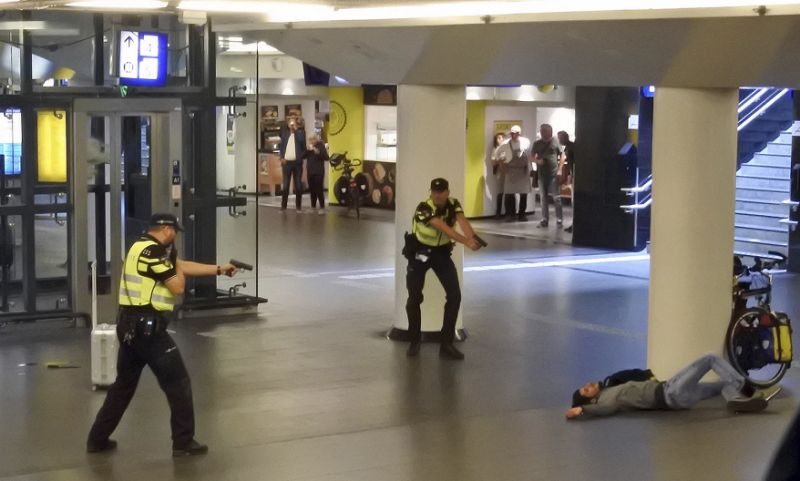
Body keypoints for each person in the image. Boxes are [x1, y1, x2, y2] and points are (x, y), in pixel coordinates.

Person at [87, 214, 238, 457]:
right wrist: (175, 262)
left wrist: (219, 269)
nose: (175, 237)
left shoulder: (139, 247)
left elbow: (180, 267)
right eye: (175, 231)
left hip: (129, 328)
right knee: (179, 383)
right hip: (149, 331)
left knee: (123, 386)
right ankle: (183, 442)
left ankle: (97, 439)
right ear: (167, 230)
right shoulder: (156, 254)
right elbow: (177, 285)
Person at [403, 178, 481, 360]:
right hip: (420, 254)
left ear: (448, 192)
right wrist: (466, 242)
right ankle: (414, 340)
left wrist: (473, 237)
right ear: (430, 192)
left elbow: (462, 221)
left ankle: (446, 343)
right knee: (414, 298)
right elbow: (444, 228)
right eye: (434, 192)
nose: (437, 195)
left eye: (441, 192)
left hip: (441, 254)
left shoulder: (453, 204)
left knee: (454, 296)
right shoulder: (424, 208)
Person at [565, 354, 770, 419]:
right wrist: (582, 409)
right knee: (710, 358)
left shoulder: (609, 388)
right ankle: (743, 385)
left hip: (674, 393)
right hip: (671, 393)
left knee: (721, 385)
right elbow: (604, 410)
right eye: (586, 390)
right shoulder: (606, 400)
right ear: (591, 399)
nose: (589, 384)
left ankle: (734, 399)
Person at [496, 125, 533, 222]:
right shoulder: (506, 143)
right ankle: (510, 214)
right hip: (511, 171)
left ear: (519, 133)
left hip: (523, 171)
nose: (513, 135)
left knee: (523, 194)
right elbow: (498, 154)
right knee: (509, 193)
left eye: (515, 133)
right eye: (512, 133)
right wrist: (502, 165)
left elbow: (529, 154)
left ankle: (522, 214)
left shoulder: (526, 142)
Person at [532, 124, 563, 228]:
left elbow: (562, 155)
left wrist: (560, 169)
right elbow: (531, 157)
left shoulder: (555, 141)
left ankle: (559, 219)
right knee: (543, 198)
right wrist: (537, 161)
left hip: (553, 174)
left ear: (550, 132)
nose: (542, 133)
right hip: (541, 175)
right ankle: (544, 219)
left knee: (556, 198)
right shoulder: (537, 143)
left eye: (544, 131)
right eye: (541, 131)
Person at [279, 118, 307, 212]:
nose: (292, 125)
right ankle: (283, 207)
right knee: (285, 185)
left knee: (298, 185)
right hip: (286, 163)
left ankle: (298, 207)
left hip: (297, 164)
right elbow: (282, 147)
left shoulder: (300, 134)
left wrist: (296, 130)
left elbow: (303, 145)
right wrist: (281, 157)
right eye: (290, 123)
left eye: (293, 123)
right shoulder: (285, 135)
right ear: (287, 125)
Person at [302, 134, 330, 215]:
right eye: (310, 140)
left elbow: (326, 157)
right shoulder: (309, 147)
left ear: (316, 139)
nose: (312, 141)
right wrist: (307, 150)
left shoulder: (321, 146)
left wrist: (318, 152)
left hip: (319, 172)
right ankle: (313, 207)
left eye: (313, 139)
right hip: (310, 171)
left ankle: (322, 207)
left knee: (319, 189)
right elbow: (302, 156)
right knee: (312, 190)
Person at [557, 131, 575, 233]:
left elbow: (569, 164)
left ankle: (575, 224)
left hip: (575, 176)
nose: (559, 140)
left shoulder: (571, 148)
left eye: (561, 138)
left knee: (574, 202)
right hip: (573, 175)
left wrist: (566, 178)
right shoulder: (569, 147)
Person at [489, 132, 507, 219]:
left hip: (508, 172)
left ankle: (510, 212)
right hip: (500, 172)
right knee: (500, 192)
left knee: (510, 192)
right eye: (498, 138)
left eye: (502, 138)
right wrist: (499, 161)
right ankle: (498, 212)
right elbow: (492, 161)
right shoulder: (495, 149)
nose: (501, 139)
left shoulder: (508, 148)